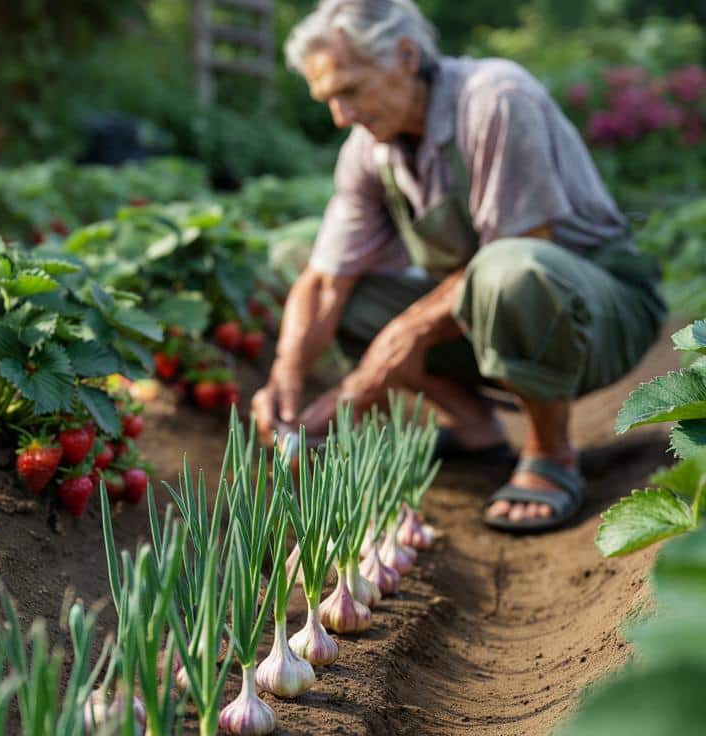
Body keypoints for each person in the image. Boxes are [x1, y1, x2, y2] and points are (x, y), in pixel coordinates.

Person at [251, 0, 665, 532]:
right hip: (489, 311)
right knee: (300, 266)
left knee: (507, 270)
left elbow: (520, 246)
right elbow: (328, 280)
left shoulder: (496, 100)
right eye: (328, 99)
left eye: (350, 90)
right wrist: (285, 376)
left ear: (406, 56)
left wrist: (383, 361)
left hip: (599, 314)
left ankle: (551, 453)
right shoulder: (369, 149)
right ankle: (473, 427)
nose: (340, 116)